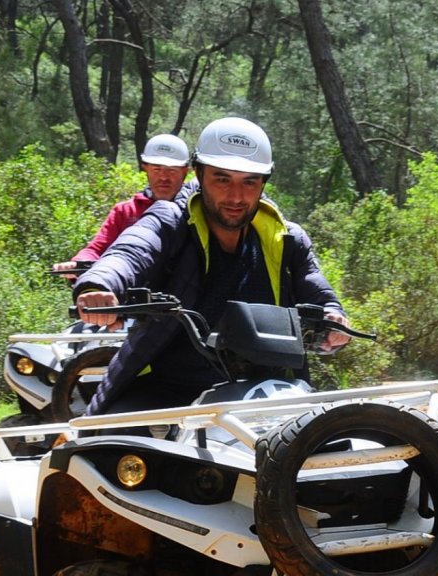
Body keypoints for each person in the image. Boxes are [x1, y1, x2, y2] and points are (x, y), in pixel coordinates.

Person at [71, 116, 349, 417]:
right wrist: (98, 285)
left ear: (263, 183)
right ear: (200, 175)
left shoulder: (288, 239)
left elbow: (317, 288)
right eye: (222, 179)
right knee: (100, 450)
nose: (236, 196)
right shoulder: (170, 220)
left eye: (250, 181)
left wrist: (335, 320)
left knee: (331, 452)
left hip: (268, 393)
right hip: (169, 391)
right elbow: (130, 252)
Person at [52, 133, 193, 277]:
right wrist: (79, 264)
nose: (163, 177)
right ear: (145, 168)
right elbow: (97, 249)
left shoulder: (197, 210)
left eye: (172, 170)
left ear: (185, 171)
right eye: (157, 169)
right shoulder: (125, 212)